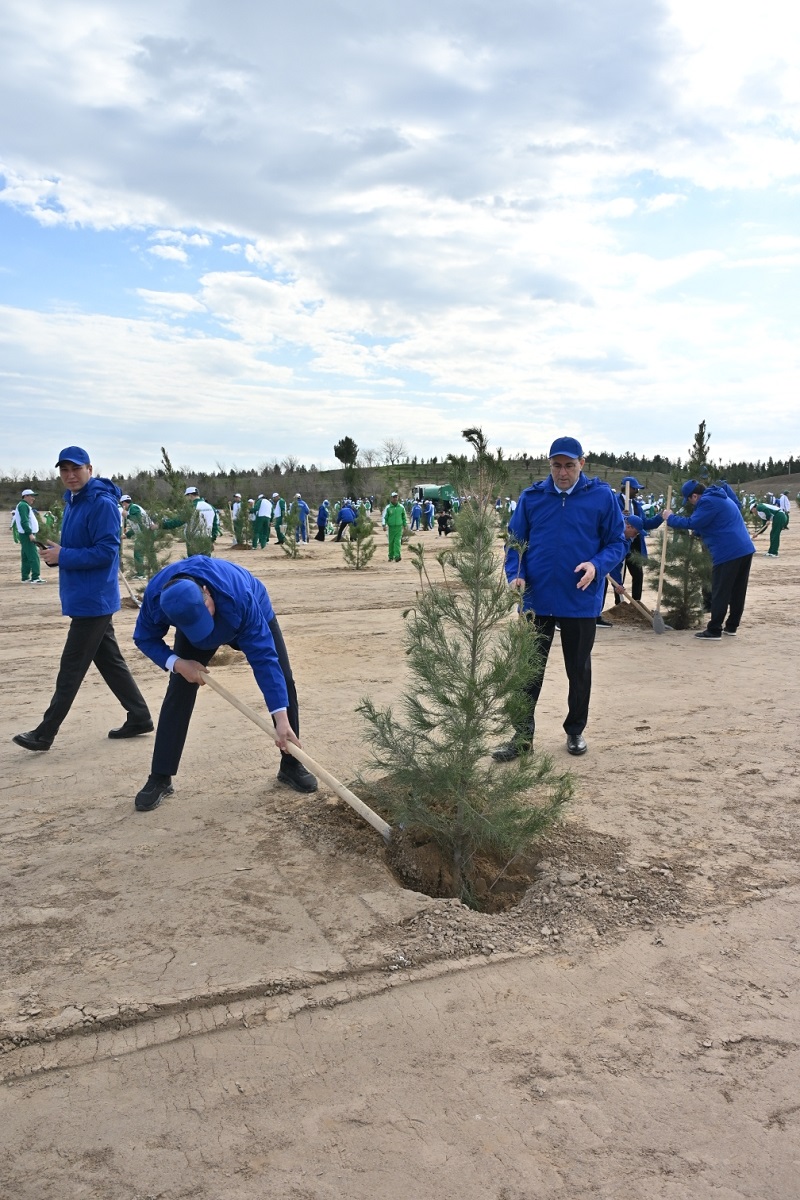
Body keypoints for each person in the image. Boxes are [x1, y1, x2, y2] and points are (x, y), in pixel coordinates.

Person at [131, 557, 317, 810]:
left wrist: (281, 719)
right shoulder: (157, 599)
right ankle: (160, 777)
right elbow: (144, 638)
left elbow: (264, 658)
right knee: (180, 688)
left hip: (248, 614)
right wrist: (178, 663)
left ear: (206, 592)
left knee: (283, 679)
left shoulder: (238, 596)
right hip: (193, 630)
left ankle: (291, 763)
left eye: (205, 611)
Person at [12, 446, 152, 752]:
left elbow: (106, 552)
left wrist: (64, 555)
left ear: (90, 468)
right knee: (110, 662)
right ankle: (140, 716)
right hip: (84, 595)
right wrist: (57, 555)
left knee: (71, 668)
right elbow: (80, 547)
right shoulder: (74, 501)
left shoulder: (101, 503)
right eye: (64, 470)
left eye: (76, 468)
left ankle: (45, 733)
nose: (70, 475)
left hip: (94, 599)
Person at [494, 436, 626, 759]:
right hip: (536, 599)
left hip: (579, 599)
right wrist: (516, 574)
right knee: (528, 670)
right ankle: (522, 737)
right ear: (549, 465)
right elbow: (515, 543)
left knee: (578, 669)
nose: (563, 472)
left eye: (569, 465)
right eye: (556, 465)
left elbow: (617, 543)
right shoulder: (532, 498)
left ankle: (575, 730)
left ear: (582, 463)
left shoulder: (602, 498)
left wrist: (597, 566)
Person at [662, 481, 755, 639]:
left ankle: (714, 630)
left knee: (720, 591)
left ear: (694, 496)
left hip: (727, 552)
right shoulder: (720, 497)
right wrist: (698, 533)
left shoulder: (707, 501)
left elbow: (693, 522)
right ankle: (732, 626)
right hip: (744, 549)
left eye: (689, 500)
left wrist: (670, 518)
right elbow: (711, 522)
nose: (691, 504)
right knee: (738, 590)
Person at [13, 488, 46, 584]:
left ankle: (25, 577)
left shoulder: (23, 505)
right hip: (27, 534)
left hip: (24, 534)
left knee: (26, 556)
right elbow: (24, 521)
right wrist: (30, 533)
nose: (33, 498)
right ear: (25, 496)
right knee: (33, 555)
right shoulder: (23, 505)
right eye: (32, 496)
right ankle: (35, 577)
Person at [120, 494, 153, 577]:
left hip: (146, 533)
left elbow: (138, 520)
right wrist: (126, 535)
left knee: (138, 553)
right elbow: (136, 528)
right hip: (145, 532)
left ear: (124, 503)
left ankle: (141, 574)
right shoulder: (132, 509)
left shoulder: (133, 508)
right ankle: (146, 572)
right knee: (146, 553)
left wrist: (127, 516)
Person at [382, 492, 408, 562]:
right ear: (391, 498)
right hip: (391, 528)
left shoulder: (401, 507)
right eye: (393, 497)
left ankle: (397, 556)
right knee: (391, 542)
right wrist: (384, 525)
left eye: (396, 497)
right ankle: (390, 556)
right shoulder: (388, 507)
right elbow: (384, 517)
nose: (395, 498)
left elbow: (404, 517)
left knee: (397, 542)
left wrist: (405, 525)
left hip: (399, 528)